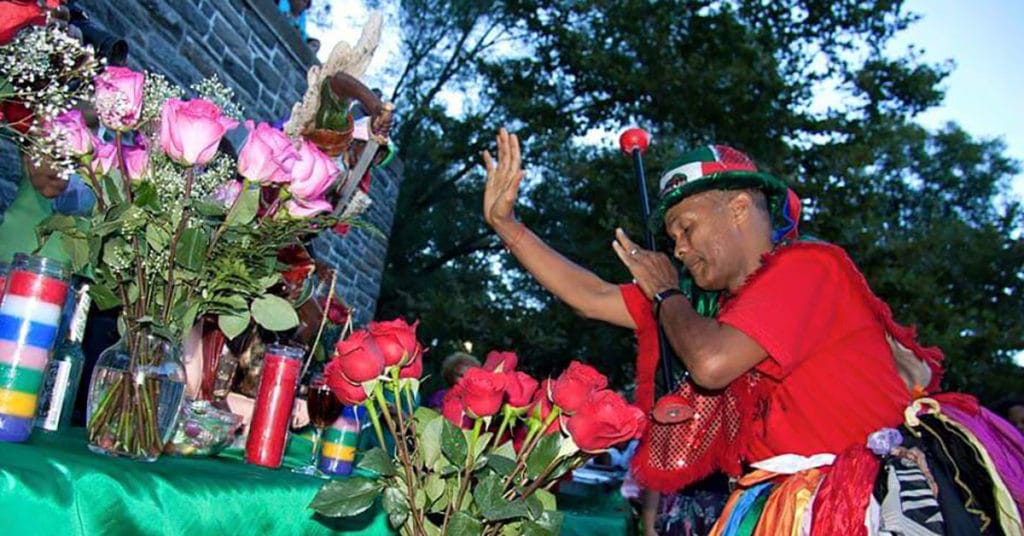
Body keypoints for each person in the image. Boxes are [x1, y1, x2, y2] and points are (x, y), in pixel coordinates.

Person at [482, 129, 1024, 534]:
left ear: (739, 208)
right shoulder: (704, 308)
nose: (680, 249)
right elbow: (591, 296)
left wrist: (666, 293)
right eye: (672, 238)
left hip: (870, 506)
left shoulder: (809, 268)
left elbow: (712, 363)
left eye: (687, 229)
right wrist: (508, 225)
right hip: (784, 501)